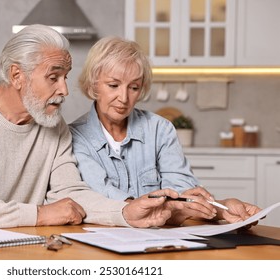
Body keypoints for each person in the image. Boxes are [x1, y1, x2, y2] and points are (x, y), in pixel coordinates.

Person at [0, 25, 193, 260]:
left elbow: (72, 194)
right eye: (54, 77)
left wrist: (125, 212)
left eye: (66, 77)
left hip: (8, 255)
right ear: (17, 76)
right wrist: (38, 214)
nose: (64, 90)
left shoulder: (55, 126)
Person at [69, 36, 261, 226]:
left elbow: (184, 195)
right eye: (113, 85)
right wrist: (171, 206)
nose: (124, 97)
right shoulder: (75, 137)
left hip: (160, 242)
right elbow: (100, 197)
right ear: (93, 84)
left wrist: (222, 208)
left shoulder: (160, 129)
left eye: (134, 87)